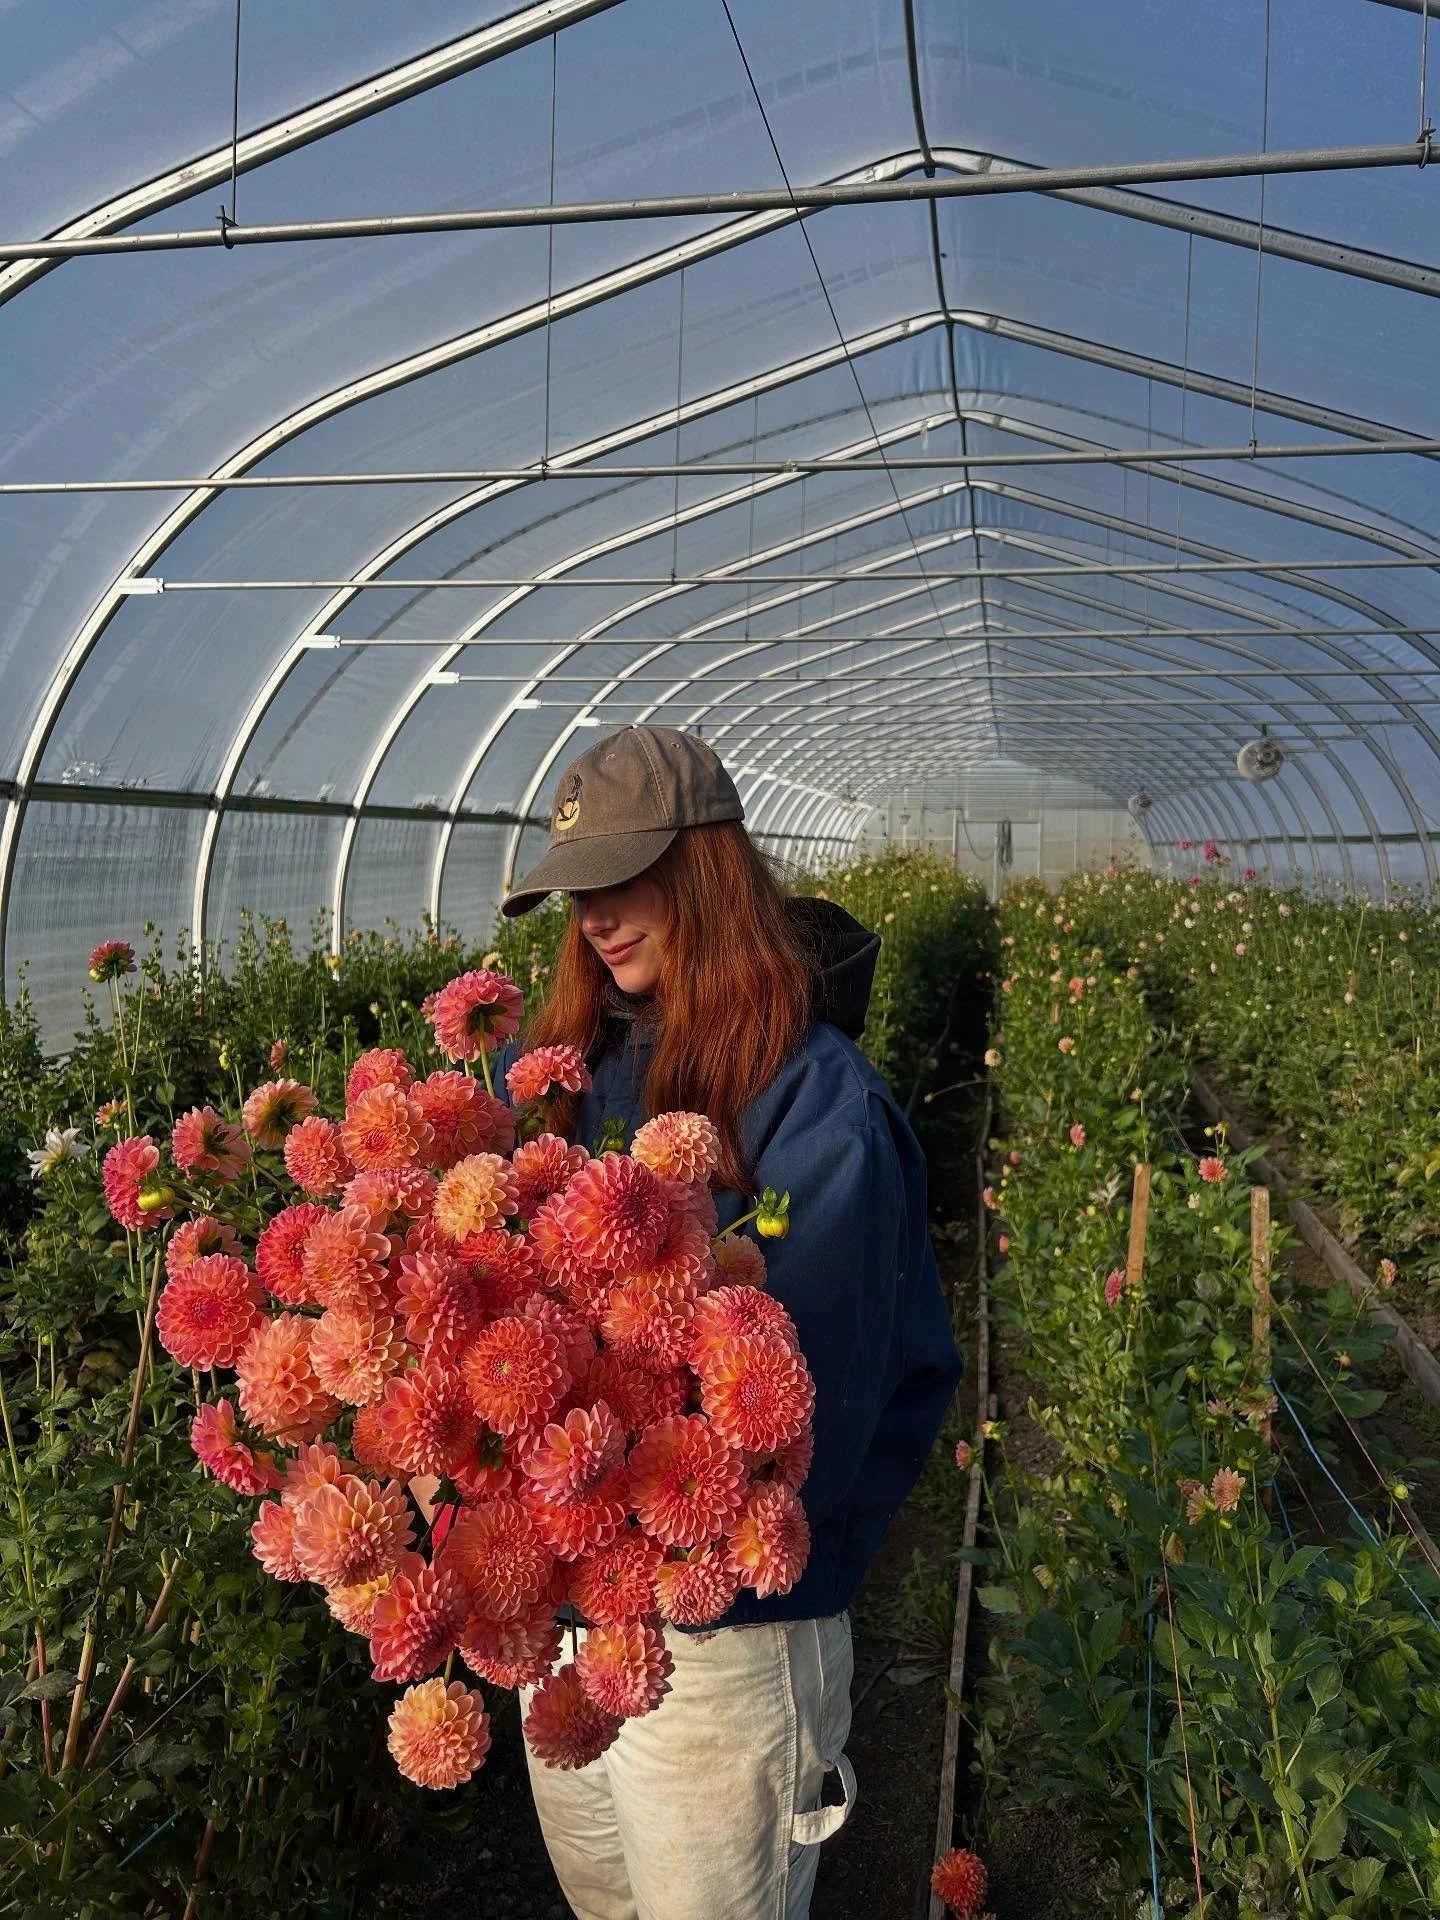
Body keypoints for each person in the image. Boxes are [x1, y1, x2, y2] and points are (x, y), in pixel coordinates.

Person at [494, 723, 962, 1920]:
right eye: (576, 890)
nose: (595, 914)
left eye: (624, 875)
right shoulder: (568, 1072)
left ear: (706, 864)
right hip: (569, 1618)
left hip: (726, 1637)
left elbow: (806, 1419)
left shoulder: (815, 1106)